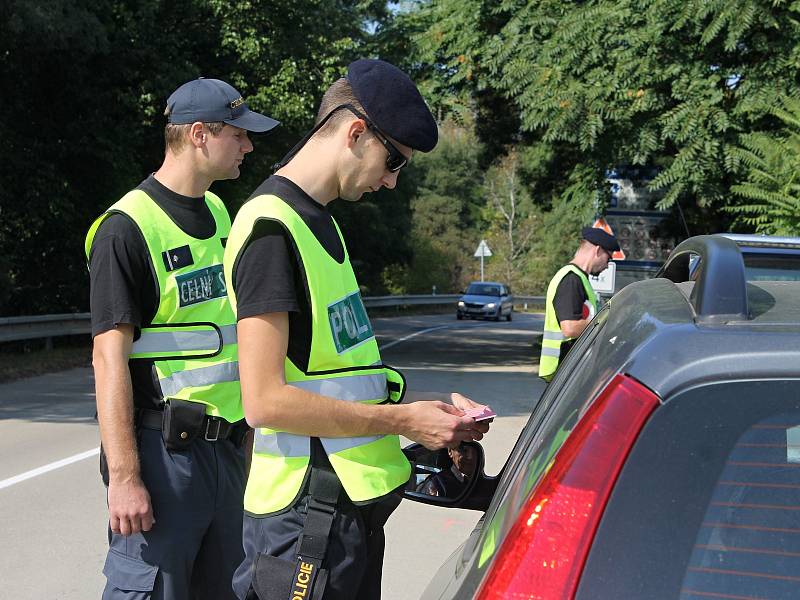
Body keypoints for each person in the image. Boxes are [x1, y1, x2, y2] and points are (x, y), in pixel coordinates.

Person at [223, 59, 491, 600]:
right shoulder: (273, 230)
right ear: (355, 132)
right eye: (394, 161)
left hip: (342, 514)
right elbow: (264, 402)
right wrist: (403, 420)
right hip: (305, 520)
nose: (392, 180)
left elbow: (341, 374)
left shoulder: (321, 225)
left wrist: (428, 417)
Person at [85, 77, 279, 600]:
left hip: (227, 452)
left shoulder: (219, 213)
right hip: (165, 455)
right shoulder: (126, 228)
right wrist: (125, 476)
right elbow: (108, 360)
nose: (248, 146)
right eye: (238, 134)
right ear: (198, 134)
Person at [538, 226, 620, 381]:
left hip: (570, 369)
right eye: (608, 258)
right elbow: (569, 327)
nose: (607, 265)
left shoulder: (580, 278)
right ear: (597, 251)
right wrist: (606, 320)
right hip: (565, 370)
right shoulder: (571, 280)